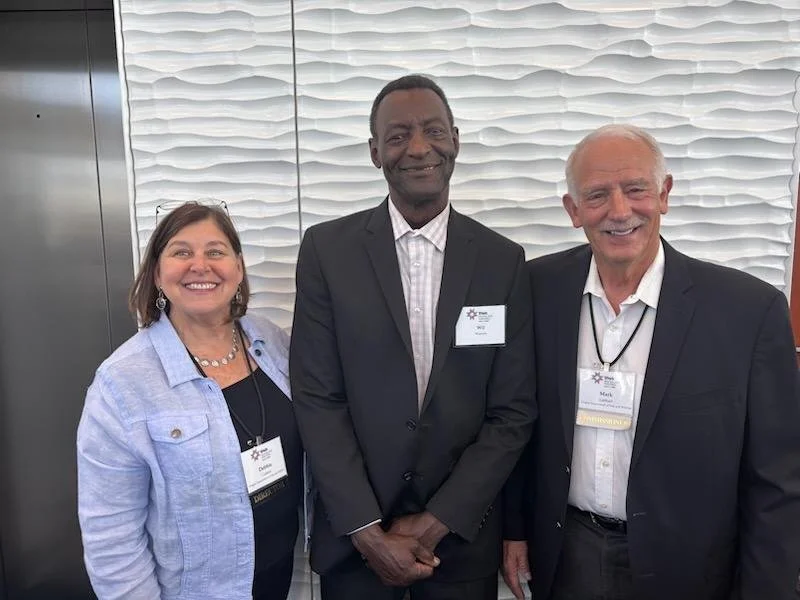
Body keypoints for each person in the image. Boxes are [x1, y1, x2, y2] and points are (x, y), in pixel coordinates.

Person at [502, 124, 800, 600]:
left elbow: (778, 481)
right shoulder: (536, 291)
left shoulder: (749, 312)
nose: (619, 211)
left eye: (635, 189)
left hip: (691, 567)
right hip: (564, 554)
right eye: (597, 195)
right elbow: (515, 421)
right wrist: (513, 528)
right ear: (573, 210)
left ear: (664, 194)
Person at [290, 74, 535, 600]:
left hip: (459, 541)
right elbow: (317, 398)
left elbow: (511, 412)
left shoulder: (502, 261)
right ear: (375, 152)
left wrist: (436, 522)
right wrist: (365, 530)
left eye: (433, 131)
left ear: (456, 140)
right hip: (356, 542)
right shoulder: (326, 252)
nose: (419, 148)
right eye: (398, 135)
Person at [77, 203, 303, 600]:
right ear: (157, 273)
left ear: (238, 266)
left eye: (215, 251)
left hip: (279, 575)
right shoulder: (121, 383)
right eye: (181, 252)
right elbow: (111, 536)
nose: (200, 265)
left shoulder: (272, 342)